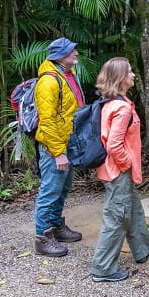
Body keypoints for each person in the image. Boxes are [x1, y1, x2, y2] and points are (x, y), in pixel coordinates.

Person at [90, 57, 149, 282]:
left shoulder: (112, 102)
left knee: (132, 208)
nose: (133, 75)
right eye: (129, 72)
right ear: (120, 78)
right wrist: (126, 164)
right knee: (117, 216)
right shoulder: (122, 108)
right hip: (118, 171)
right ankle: (103, 268)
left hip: (115, 170)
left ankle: (142, 249)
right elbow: (114, 144)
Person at [33, 37, 86, 257]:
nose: (76, 53)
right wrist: (57, 152)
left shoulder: (66, 75)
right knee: (50, 190)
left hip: (67, 142)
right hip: (54, 146)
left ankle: (56, 228)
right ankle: (42, 238)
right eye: (72, 51)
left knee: (61, 189)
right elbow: (47, 121)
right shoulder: (49, 81)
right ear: (60, 56)